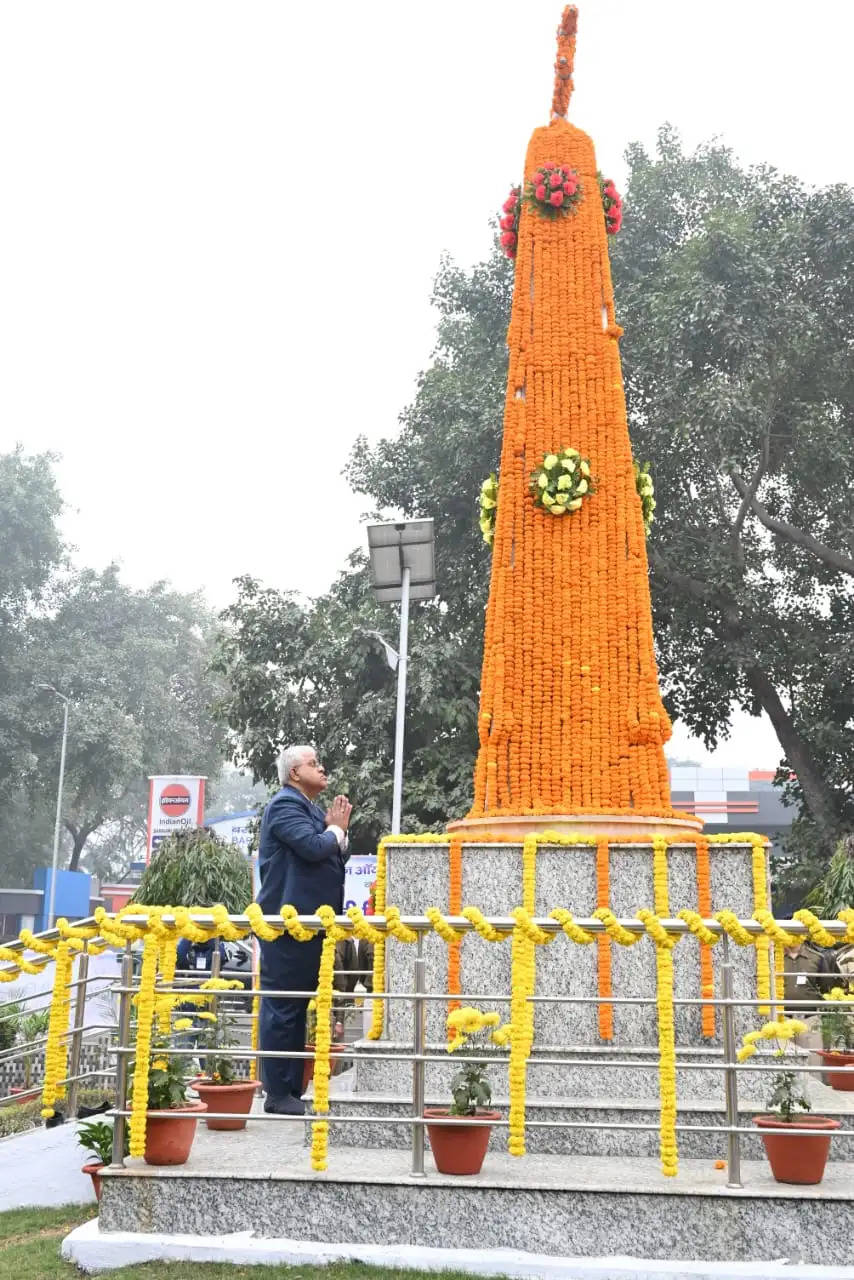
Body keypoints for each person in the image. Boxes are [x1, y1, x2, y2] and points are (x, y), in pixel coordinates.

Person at [256, 744, 352, 1115]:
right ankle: (277, 1093)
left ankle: (291, 1091)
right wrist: (335, 830)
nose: (322, 767)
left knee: (296, 1007)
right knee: (282, 1007)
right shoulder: (284, 805)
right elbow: (314, 848)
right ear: (294, 773)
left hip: (310, 925)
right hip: (287, 925)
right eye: (313, 764)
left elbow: (331, 850)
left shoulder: (308, 808)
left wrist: (335, 832)